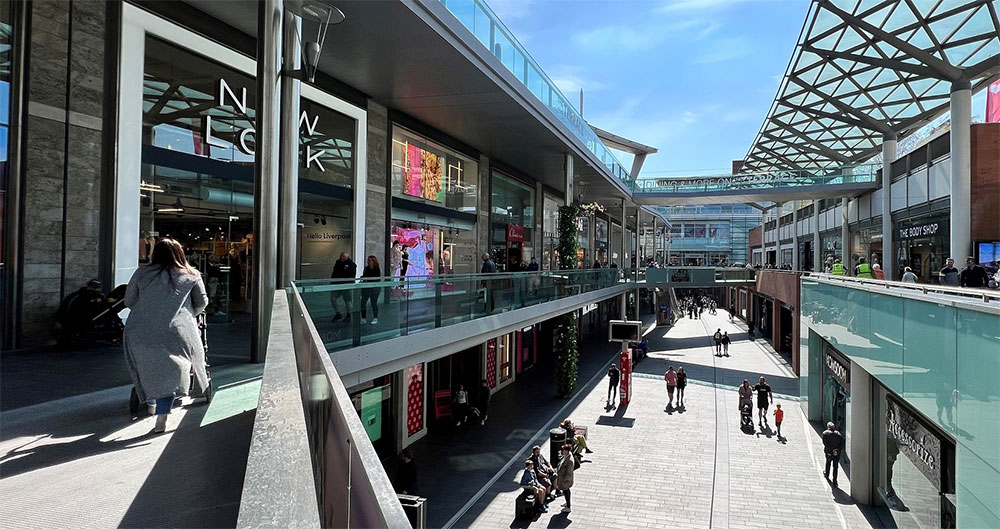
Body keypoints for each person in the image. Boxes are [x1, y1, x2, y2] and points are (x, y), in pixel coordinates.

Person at [123, 239, 209, 434]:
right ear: (180, 253)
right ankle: (162, 416)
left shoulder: (142, 273)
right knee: (171, 372)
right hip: (177, 330)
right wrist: (186, 314)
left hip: (140, 329)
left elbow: (129, 301)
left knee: (147, 366)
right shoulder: (192, 275)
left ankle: (150, 401)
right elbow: (202, 302)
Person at [330, 252, 357, 323]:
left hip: (346, 285)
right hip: (336, 284)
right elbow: (334, 273)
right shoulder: (337, 263)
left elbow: (352, 275)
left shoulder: (352, 265)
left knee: (347, 300)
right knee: (333, 298)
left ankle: (349, 314)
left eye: (343, 256)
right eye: (341, 256)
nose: (341, 257)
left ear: (347, 257)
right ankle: (337, 313)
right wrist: (332, 282)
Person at [822, 421, 845, 487]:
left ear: (828, 427)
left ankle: (827, 474)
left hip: (829, 452)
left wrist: (831, 450)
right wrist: (837, 450)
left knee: (828, 463)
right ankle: (835, 481)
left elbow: (825, 443)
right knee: (835, 467)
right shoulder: (838, 434)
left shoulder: (825, 433)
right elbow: (842, 442)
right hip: (836, 453)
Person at [360, 255, 381, 325]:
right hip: (366, 288)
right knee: (363, 303)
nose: (368, 261)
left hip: (374, 289)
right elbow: (365, 276)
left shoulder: (376, 268)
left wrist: (367, 279)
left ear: (373, 261)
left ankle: (375, 318)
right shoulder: (366, 268)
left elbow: (376, 279)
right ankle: (363, 318)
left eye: (369, 260)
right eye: (368, 260)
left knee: (373, 303)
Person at [556, 444, 575, 513]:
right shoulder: (566, 456)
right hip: (562, 478)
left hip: (565, 479)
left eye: (563, 450)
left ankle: (568, 506)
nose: (562, 451)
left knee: (566, 491)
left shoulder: (569, 460)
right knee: (566, 491)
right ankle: (567, 503)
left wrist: (565, 480)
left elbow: (569, 471)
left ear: (566, 451)